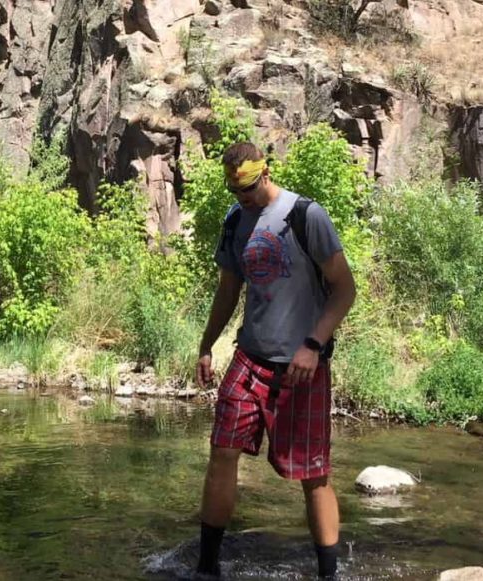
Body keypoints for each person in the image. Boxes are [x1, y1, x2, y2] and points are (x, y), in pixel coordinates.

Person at [194, 142, 357, 579]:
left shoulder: (306, 215)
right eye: (234, 190)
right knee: (222, 454)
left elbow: (345, 289)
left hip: (302, 366)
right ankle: (207, 567)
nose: (241, 197)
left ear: (264, 173)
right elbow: (228, 290)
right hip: (249, 359)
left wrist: (314, 344)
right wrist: (207, 344)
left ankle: (329, 574)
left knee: (313, 474)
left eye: (246, 187)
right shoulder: (235, 222)